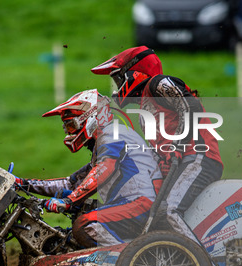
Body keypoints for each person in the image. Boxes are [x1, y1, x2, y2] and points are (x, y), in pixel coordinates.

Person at [91, 46, 223, 246]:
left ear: (134, 71)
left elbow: (190, 106)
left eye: (119, 79)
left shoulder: (157, 83)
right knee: (157, 216)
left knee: (169, 210)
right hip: (183, 162)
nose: (117, 86)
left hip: (198, 156)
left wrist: (179, 144)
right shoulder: (146, 101)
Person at [15, 89, 162, 248]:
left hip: (141, 204)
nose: (69, 131)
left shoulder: (113, 134)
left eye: (71, 125)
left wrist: (68, 201)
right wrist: (22, 184)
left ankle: (124, 264)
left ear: (91, 118)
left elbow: (104, 169)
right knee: (70, 205)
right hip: (131, 203)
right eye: (67, 128)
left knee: (84, 225)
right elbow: (70, 184)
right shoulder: (104, 142)